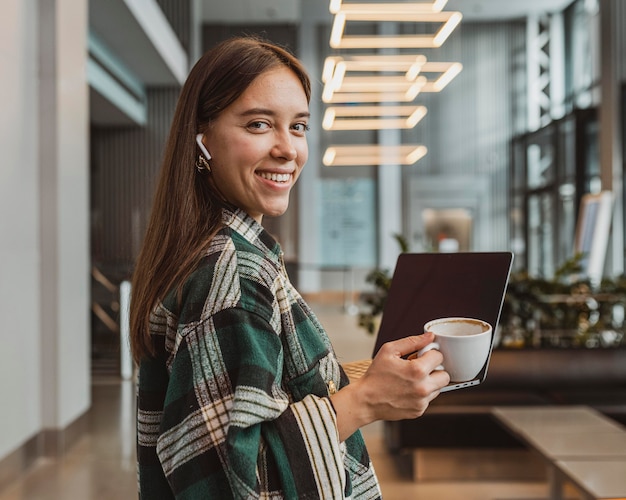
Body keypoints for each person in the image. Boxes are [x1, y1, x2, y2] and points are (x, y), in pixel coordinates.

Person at [130, 35, 450, 499]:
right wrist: (363, 402)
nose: (288, 150)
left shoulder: (221, 251)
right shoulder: (233, 272)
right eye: (259, 124)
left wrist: (366, 375)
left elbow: (256, 395)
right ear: (202, 139)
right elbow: (226, 480)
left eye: (298, 126)